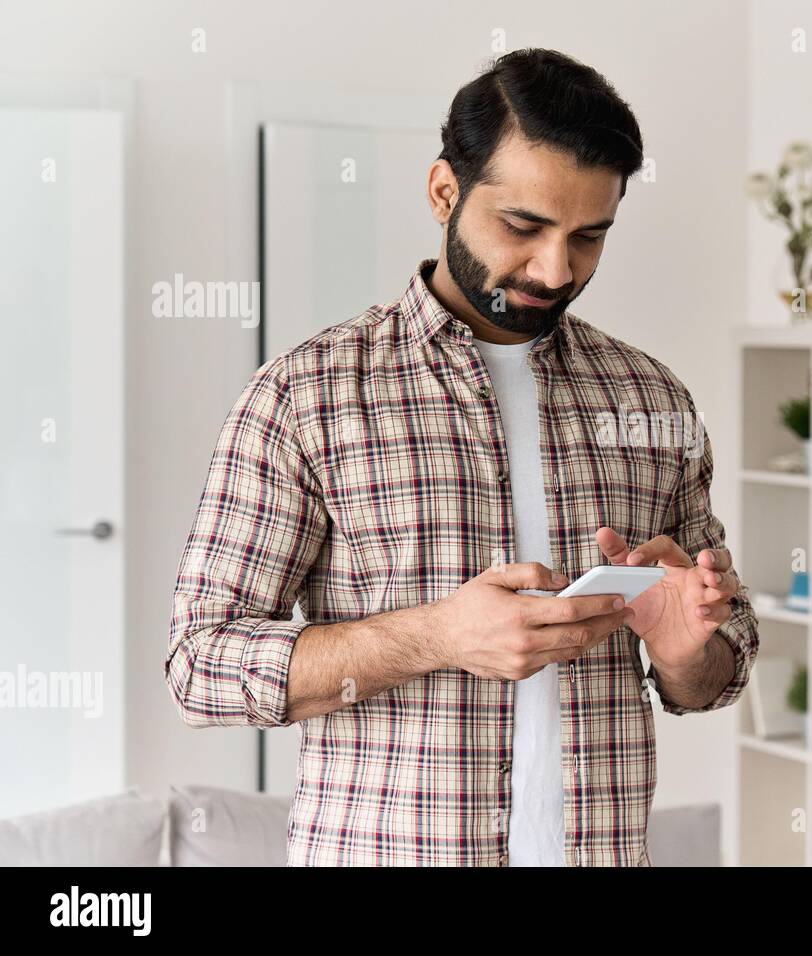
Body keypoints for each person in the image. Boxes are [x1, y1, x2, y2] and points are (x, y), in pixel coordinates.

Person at [165, 47, 758, 866]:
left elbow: (716, 675)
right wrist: (436, 636)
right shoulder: (306, 397)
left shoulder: (652, 400)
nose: (556, 268)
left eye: (589, 236)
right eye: (524, 226)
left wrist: (685, 648)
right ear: (445, 190)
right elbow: (200, 666)